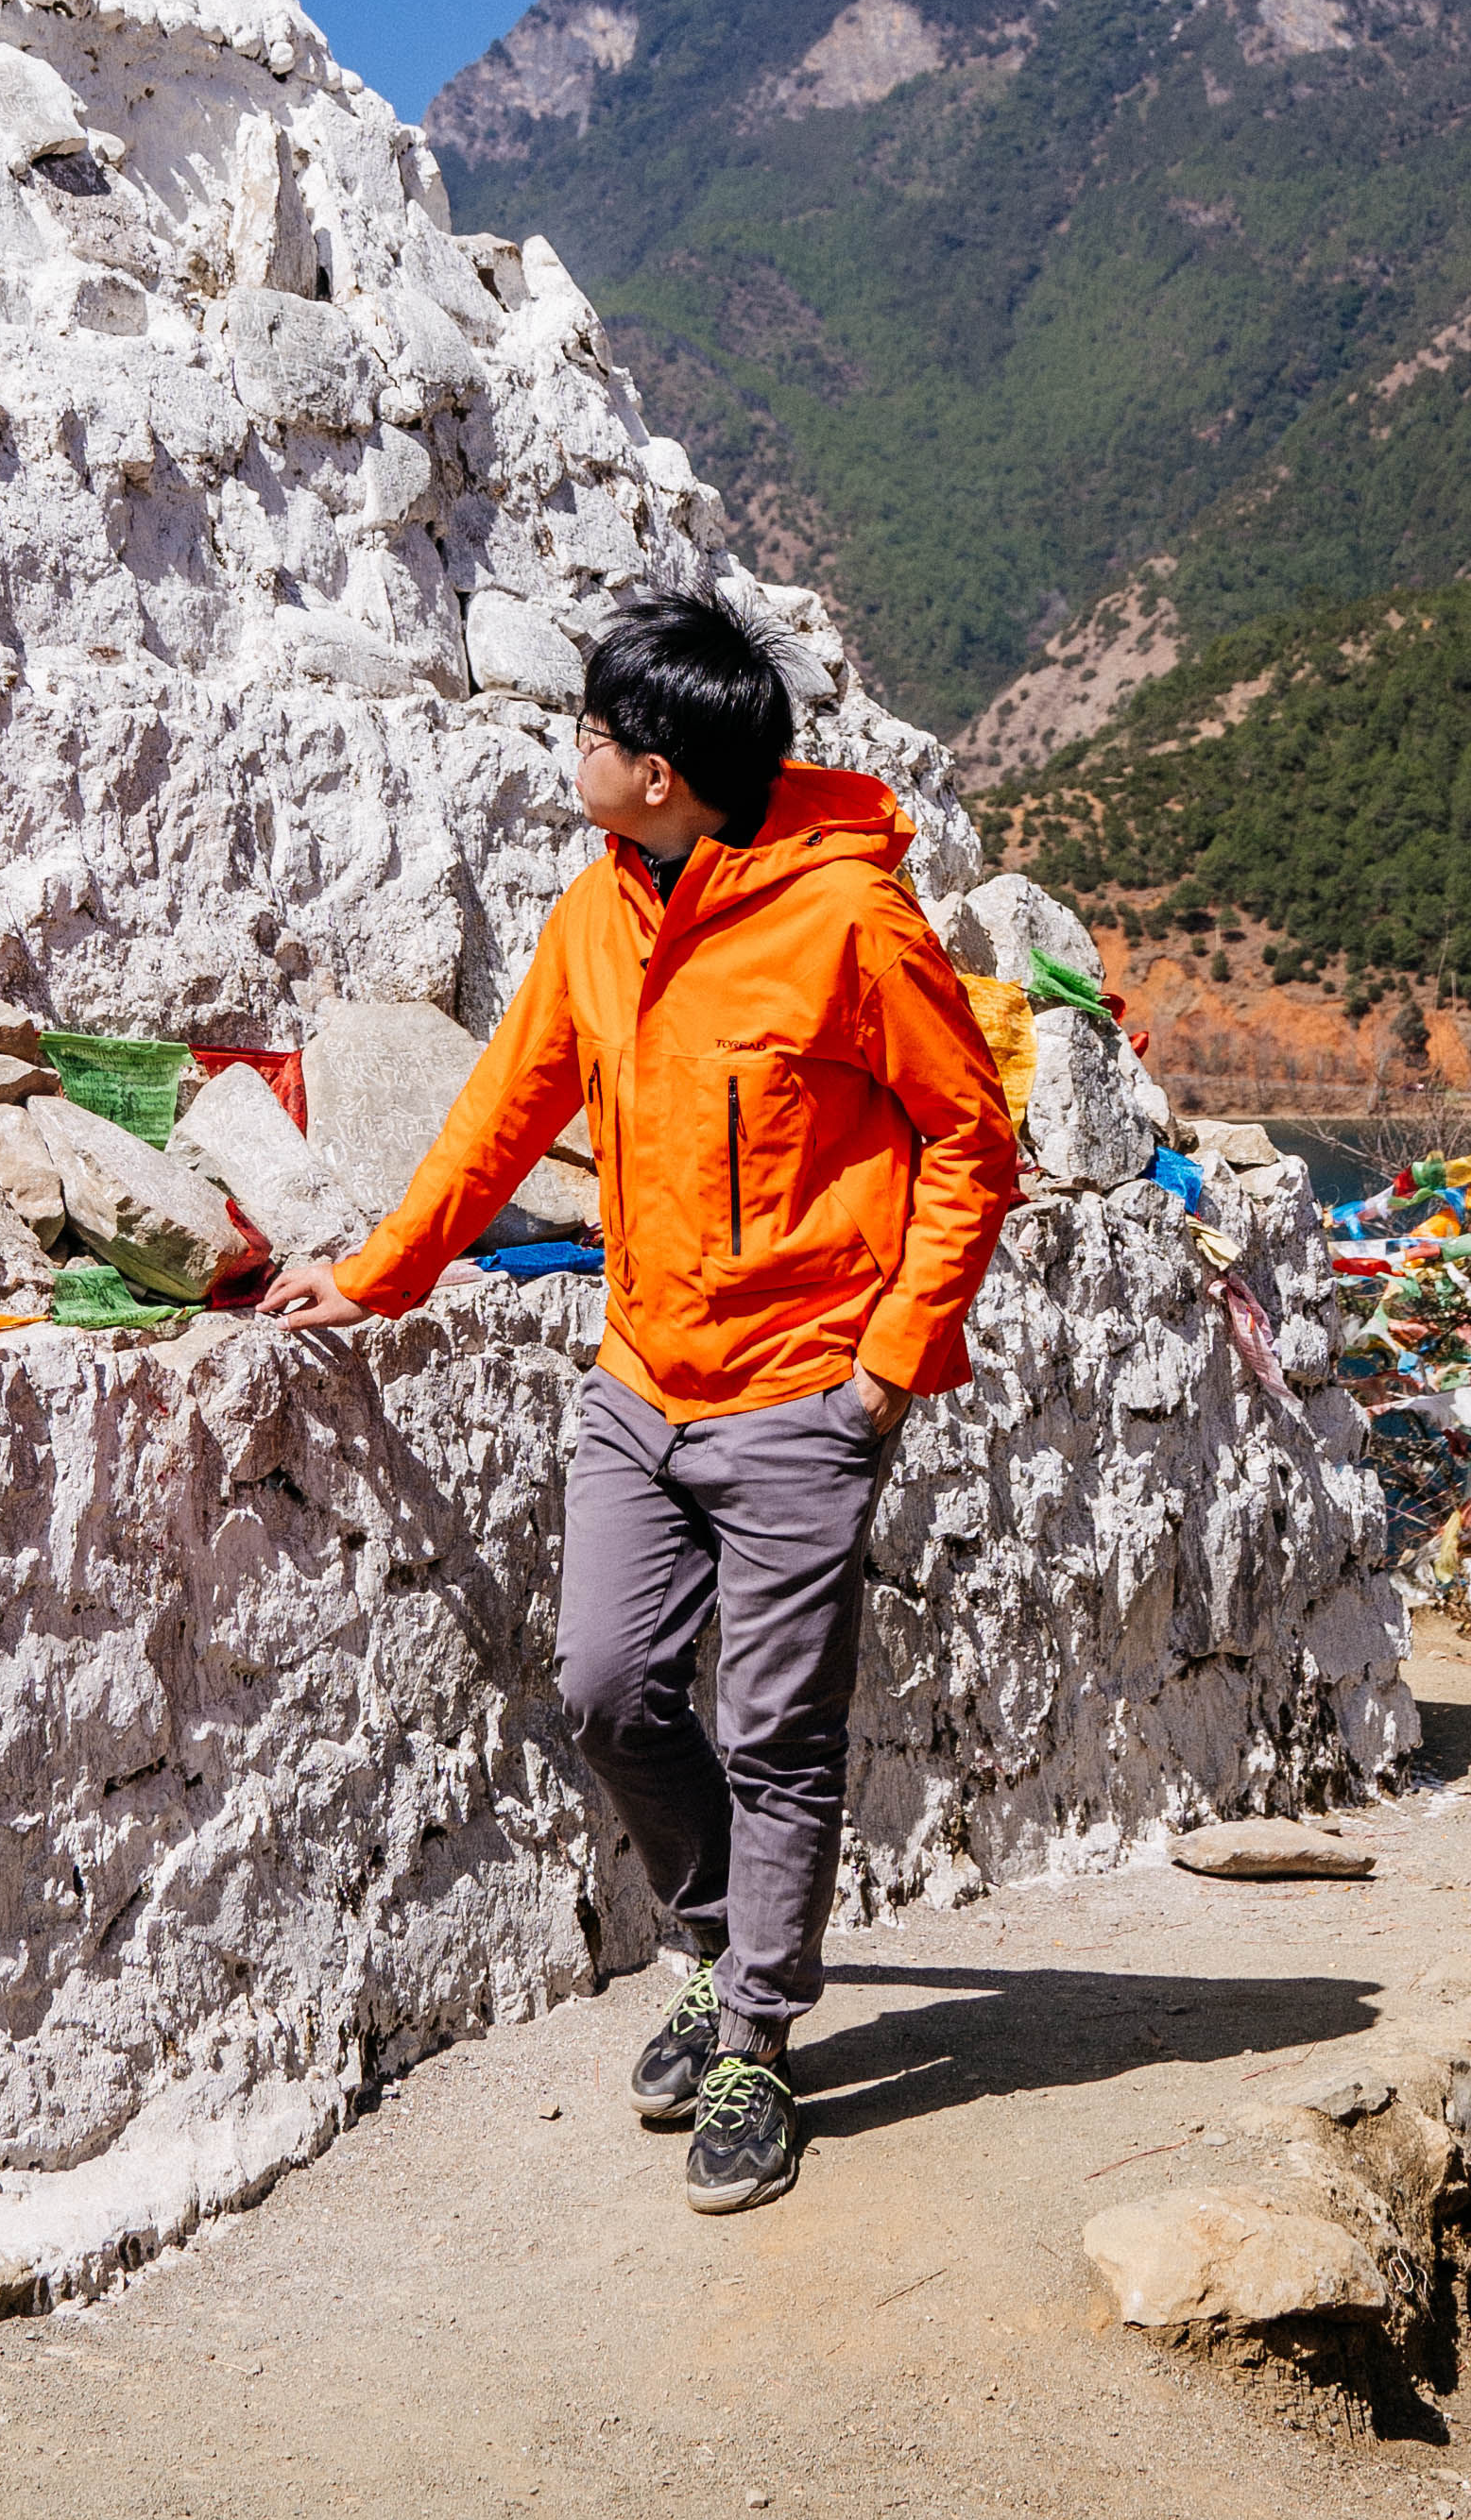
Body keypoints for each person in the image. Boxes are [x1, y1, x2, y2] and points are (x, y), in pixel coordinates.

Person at [262, 585, 1019, 2214]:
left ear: (664, 772)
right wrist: (383, 1270)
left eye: (594, 733)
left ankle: (756, 2034)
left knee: (778, 1732)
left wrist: (889, 1370)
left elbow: (972, 1140)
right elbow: (501, 1111)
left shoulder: (848, 926)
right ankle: (715, 1944)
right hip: (638, 1385)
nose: (576, 752)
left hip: (805, 1395)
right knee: (607, 1690)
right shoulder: (593, 918)